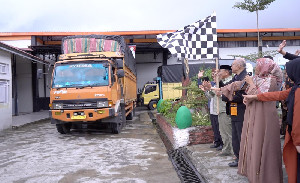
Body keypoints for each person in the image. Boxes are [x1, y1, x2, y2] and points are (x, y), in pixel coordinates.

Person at [218, 58, 283, 182]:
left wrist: (251, 84)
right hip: (255, 113)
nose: (256, 68)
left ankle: (265, 175)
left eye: (258, 65)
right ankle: (254, 173)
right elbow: (238, 86)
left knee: (262, 142)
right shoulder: (258, 78)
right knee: (254, 141)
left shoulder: (272, 81)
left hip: (265, 115)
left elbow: (259, 95)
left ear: (265, 67)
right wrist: (219, 89)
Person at [243, 57, 300, 183]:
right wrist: (255, 96)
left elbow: (297, 120)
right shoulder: (295, 88)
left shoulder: (294, 89)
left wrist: (297, 141)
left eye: (289, 72)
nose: (287, 75)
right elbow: (279, 95)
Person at [219, 58, 247, 167]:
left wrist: (227, 98)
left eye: (233, 64)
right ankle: (238, 157)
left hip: (241, 110)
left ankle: (243, 159)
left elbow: (241, 96)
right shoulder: (236, 77)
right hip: (234, 110)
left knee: (240, 135)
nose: (231, 67)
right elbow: (225, 88)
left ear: (239, 66)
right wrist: (217, 82)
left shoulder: (244, 77)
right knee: (235, 135)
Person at [203, 65, 233, 155]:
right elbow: (211, 95)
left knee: (229, 132)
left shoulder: (230, 81)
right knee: (223, 132)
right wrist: (207, 89)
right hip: (218, 109)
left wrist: (217, 83)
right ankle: (226, 149)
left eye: (221, 71)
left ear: (227, 72)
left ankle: (233, 152)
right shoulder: (219, 82)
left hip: (225, 108)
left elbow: (224, 91)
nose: (219, 73)